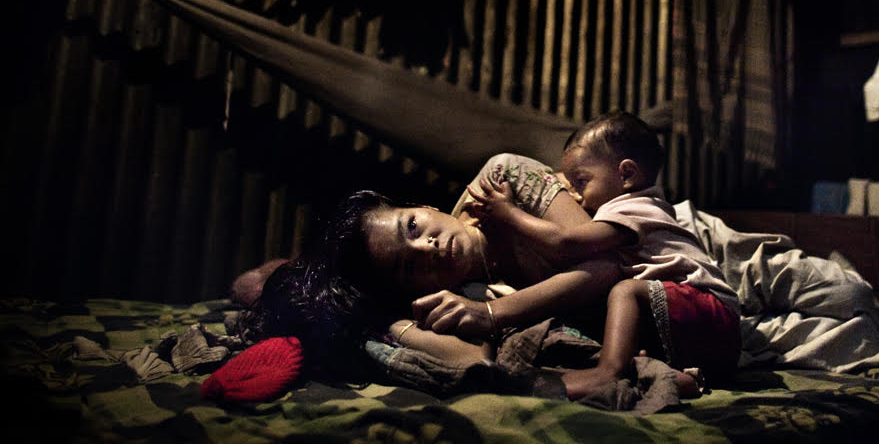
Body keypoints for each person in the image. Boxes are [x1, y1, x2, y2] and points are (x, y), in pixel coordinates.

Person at [235, 153, 622, 376]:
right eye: (407, 267)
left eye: (413, 226)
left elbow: (607, 268)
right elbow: (473, 361)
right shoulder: (454, 296)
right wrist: (373, 318)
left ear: (427, 207)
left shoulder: (503, 181)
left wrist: (492, 313)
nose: (427, 248)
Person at [466, 111, 741, 399]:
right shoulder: (626, 208)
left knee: (626, 292)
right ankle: (673, 376)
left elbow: (565, 242)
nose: (578, 196)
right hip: (695, 335)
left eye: (582, 181)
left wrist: (510, 214)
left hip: (712, 314)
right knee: (622, 317)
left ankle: (606, 373)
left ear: (626, 174)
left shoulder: (638, 207)